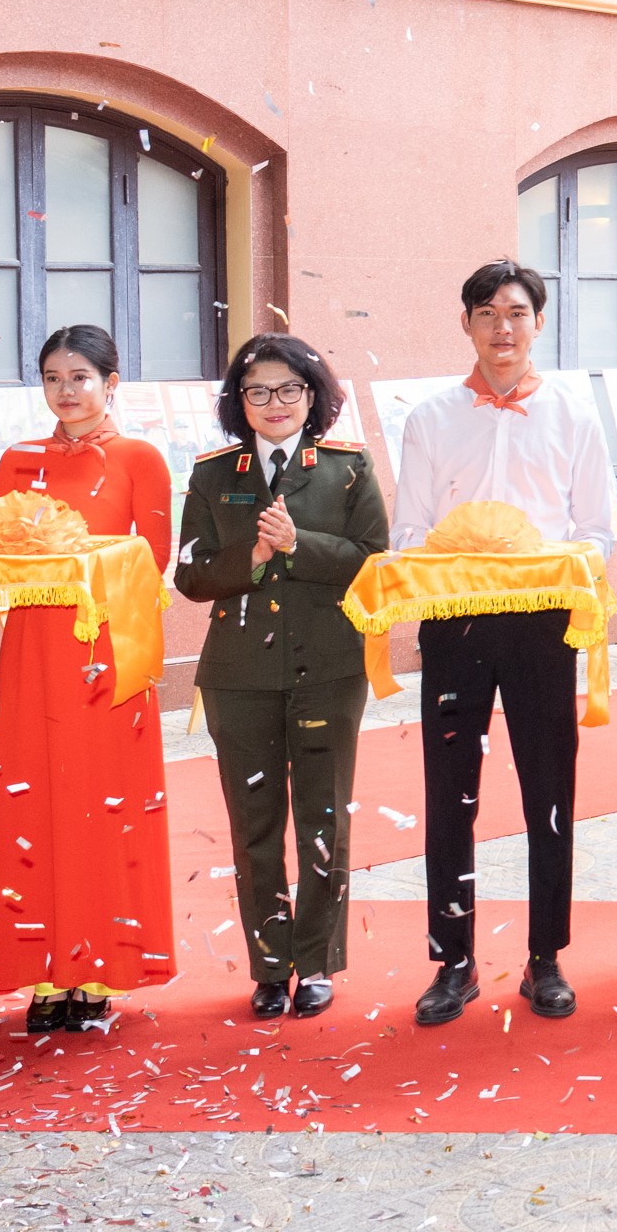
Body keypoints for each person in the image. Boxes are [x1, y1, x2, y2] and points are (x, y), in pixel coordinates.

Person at [392, 261, 616, 1028]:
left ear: (538, 323)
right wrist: (458, 563)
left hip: (542, 624)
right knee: (449, 793)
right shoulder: (429, 419)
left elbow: (596, 532)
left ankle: (545, 956)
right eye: (486, 313)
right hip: (454, 624)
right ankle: (452, 962)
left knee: (549, 791)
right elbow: (409, 530)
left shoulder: (573, 418)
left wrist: (545, 566)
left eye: (516, 312)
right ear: (466, 323)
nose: (502, 327)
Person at [173, 334, 387, 1020]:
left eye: (289, 388)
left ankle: (316, 962)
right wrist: (253, 557)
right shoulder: (215, 474)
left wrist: (299, 545)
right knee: (253, 825)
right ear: (238, 401)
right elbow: (190, 574)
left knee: (324, 818)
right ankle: (269, 966)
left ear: (312, 395)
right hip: (238, 674)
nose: (274, 403)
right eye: (257, 391)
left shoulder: (347, 467)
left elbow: (375, 561)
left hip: (329, 667)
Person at [0, 326, 175, 1032]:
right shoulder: (17, 459)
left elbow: (153, 560)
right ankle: (40, 971)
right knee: (34, 804)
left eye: (80, 377)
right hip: (32, 649)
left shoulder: (140, 458)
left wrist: (80, 571)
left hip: (105, 651)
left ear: (111, 382)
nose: (65, 391)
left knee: (101, 806)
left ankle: (99, 969)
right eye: (52, 378)